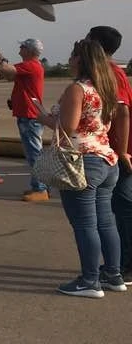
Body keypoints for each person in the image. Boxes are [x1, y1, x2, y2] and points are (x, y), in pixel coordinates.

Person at [37, 39, 123, 297]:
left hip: (81, 162)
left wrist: (44, 119)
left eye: (73, 55)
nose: (69, 60)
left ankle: (89, 281)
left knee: (85, 225)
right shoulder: (106, 87)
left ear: (81, 60)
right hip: (106, 159)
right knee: (106, 222)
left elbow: (69, 127)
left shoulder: (78, 89)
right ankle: (113, 274)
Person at [85, 25, 132, 283]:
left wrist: (122, 152)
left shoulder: (110, 74)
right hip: (116, 149)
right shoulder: (108, 72)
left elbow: (122, 111)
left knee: (123, 207)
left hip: (121, 150)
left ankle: (125, 266)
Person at [0, 38, 48, 201]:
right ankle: (38, 186)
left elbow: (6, 69)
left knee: (34, 154)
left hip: (29, 115)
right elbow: (9, 75)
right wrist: (1, 62)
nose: (19, 49)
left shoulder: (30, 65)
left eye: (22, 47)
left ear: (29, 50)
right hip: (28, 114)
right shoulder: (29, 67)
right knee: (33, 153)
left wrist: (1, 60)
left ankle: (41, 189)